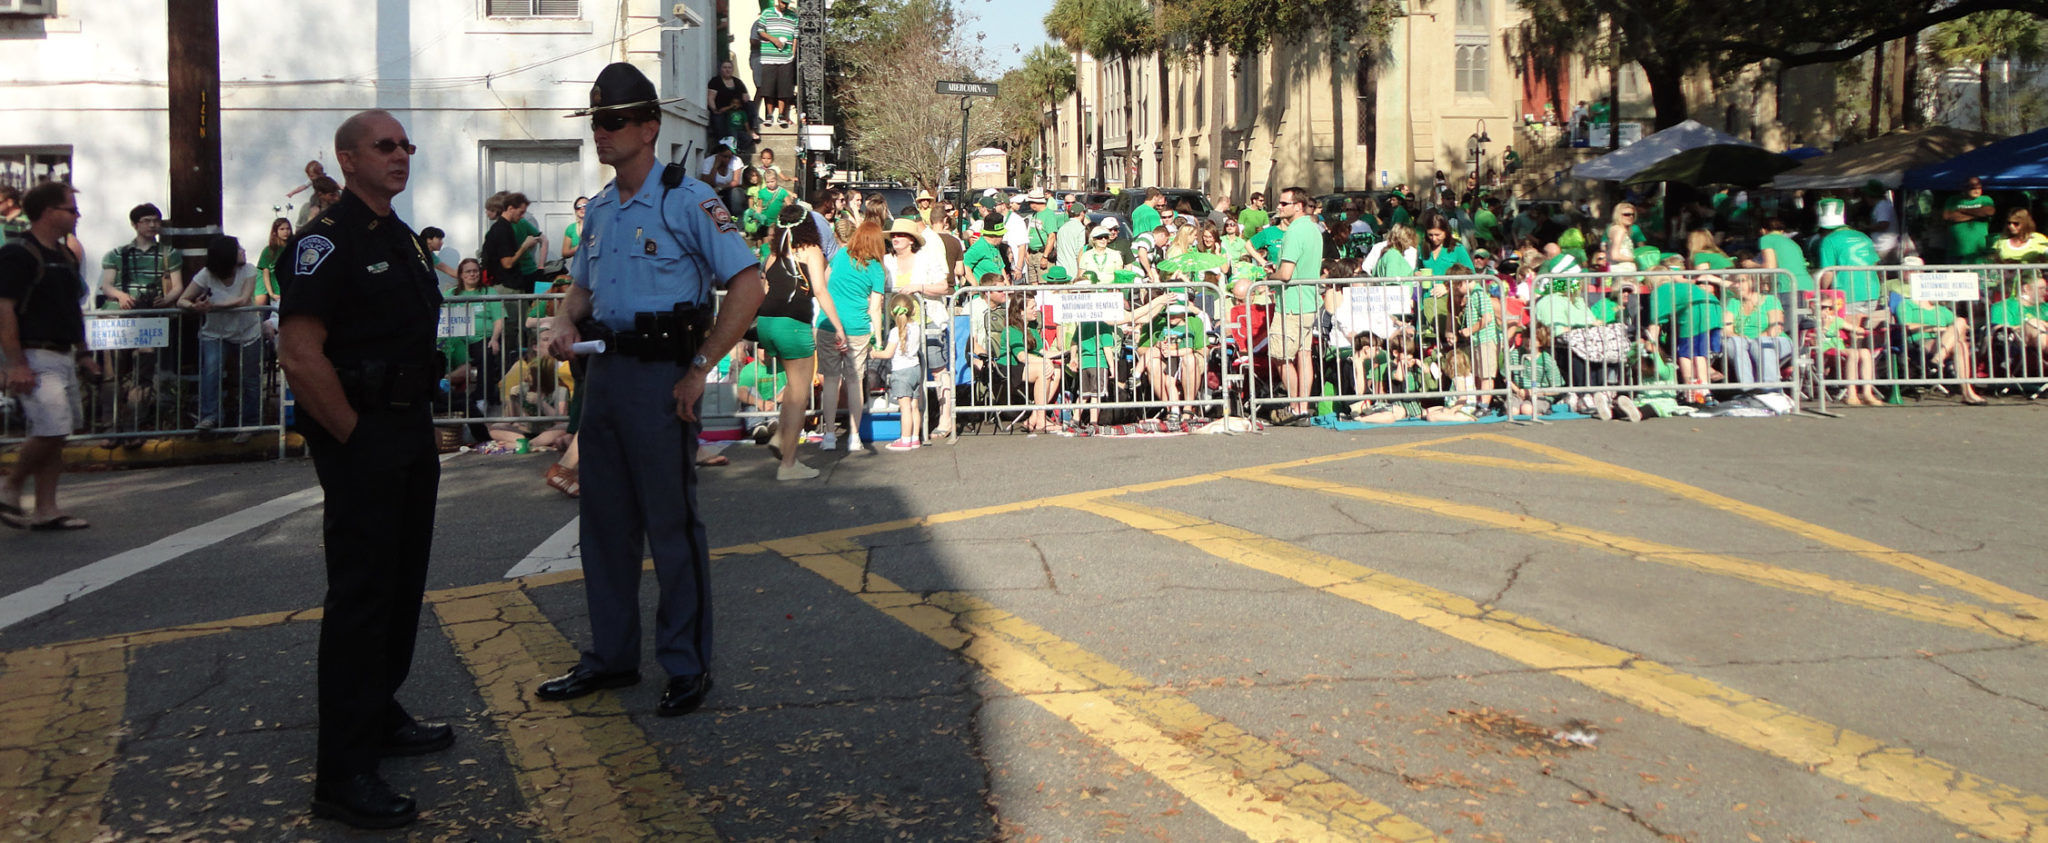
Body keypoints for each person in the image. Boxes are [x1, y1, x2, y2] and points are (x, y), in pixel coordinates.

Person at [537, 64, 765, 723]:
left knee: (671, 525)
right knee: (603, 525)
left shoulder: (687, 199)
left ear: (648, 127)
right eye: (596, 123)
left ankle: (687, 664)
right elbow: (581, 288)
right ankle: (611, 655)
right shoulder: (603, 209)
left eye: (613, 123)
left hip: (662, 375)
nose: (601, 135)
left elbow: (747, 285)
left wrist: (699, 367)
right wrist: (561, 320)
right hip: (604, 374)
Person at [275, 110, 453, 829]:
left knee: (403, 580)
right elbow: (299, 352)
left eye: (406, 144)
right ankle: (343, 771)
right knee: (362, 594)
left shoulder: (403, 237)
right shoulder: (326, 239)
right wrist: (353, 436)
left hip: (407, 425)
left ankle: (379, 710)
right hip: (361, 431)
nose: (401, 154)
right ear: (348, 159)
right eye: (385, 145)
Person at [1, 182, 97, 531]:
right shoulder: (19, 254)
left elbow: (72, 310)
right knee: (51, 428)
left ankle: (46, 508)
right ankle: (10, 485)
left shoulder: (64, 255)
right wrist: (15, 364)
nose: (77, 215)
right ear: (48, 212)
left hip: (62, 355)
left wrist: (84, 354)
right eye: (71, 209)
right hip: (34, 353)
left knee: (58, 434)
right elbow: (5, 310)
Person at [754, 204, 826, 479]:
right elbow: (820, 290)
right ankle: (789, 464)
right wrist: (838, 327)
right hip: (792, 325)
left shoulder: (773, 254)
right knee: (799, 394)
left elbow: (765, 288)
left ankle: (781, 438)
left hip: (767, 323)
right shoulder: (811, 252)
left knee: (792, 387)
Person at [176, 236, 264, 441]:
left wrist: (211, 306)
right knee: (211, 373)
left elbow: (243, 300)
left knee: (249, 378)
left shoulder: (249, 270)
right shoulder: (206, 275)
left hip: (247, 332)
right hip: (215, 333)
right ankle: (210, 416)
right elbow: (182, 300)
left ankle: (250, 423)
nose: (243, 251)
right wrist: (194, 306)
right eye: (238, 249)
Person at [813, 218, 887, 451]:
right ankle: (854, 436)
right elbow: (875, 307)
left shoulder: (840, 256)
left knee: (831, 381)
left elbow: (823, 286)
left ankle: (829, 435)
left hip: (828, 324)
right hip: (857, 327)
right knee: (855, 382)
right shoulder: (876, 267)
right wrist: (879, 337)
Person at [1271, 186, 1323, 422]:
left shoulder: (1293, 231)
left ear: (1298, 206)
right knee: (1304, 355)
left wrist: (1268, 277)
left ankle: (1294, 406)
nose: (1279, 207)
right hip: (1310, 301)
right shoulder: (1315, 229)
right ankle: (1303, 406)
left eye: (1284, 203)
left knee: (1280, 357)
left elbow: (1286, 273)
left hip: (1292, 302)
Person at [875, 291, 924, 449]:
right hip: (915, 369)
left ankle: (905, 439)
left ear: (891, 312)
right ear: (913, 311)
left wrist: (873, 353)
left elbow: (888, 353)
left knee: (905, 408)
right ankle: (915, 437)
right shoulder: (916, 327)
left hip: (901, 372)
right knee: (914, 406)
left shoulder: (895, 332)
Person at [482, 192, 544, 294]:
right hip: (507, 287)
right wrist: (524, 246)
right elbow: (507, 263)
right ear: (510, 209)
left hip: (512, 283)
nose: (522, 216)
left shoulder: (506, 227)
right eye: (521, 212)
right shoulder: (502, 229)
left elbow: (543, 238)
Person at [755, 0, 799, 127]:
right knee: (768, 87)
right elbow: (760, 30)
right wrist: (773, 39)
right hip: (769, 56)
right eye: (783, 3)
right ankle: (769, 115)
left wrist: (793, 52)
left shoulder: (793, 16)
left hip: (786, 57)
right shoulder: (767, 13)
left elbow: (795, 35)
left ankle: (781, 115)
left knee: (784, 88)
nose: (785, 5)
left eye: (787, 3)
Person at [1943, 176, 1997, 264]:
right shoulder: (1953, 199)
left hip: (1978, 251)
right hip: (1956, 251)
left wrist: (1962, 211)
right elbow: (1948, 216)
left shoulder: (1985, 199)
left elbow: (1988, 211)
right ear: (1964, 188)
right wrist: (1977, 215)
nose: (1976, 190)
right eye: (1972, 188)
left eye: (1979, 187)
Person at [706, 59, 754, 149]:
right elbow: (710, 98)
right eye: (725, 67)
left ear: (732, 69)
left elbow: (745, 97)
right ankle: (723, 145)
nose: (727, 70)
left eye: (729, 67)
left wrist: (742, 104)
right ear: (721, 69)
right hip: (721, 111)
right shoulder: (715, 81)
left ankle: (751, 130)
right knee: (718, 119)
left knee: (751, 105)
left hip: (736, 111)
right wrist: (714, 109)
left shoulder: (738, 82)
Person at [560, 196, 589, 263]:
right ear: (576, 211)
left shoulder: (598, 226)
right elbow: (564, 253)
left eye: (585, 205)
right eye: (578, 206)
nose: (582, 208)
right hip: (578, 267)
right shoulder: (571, 228)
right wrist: (577, 248)